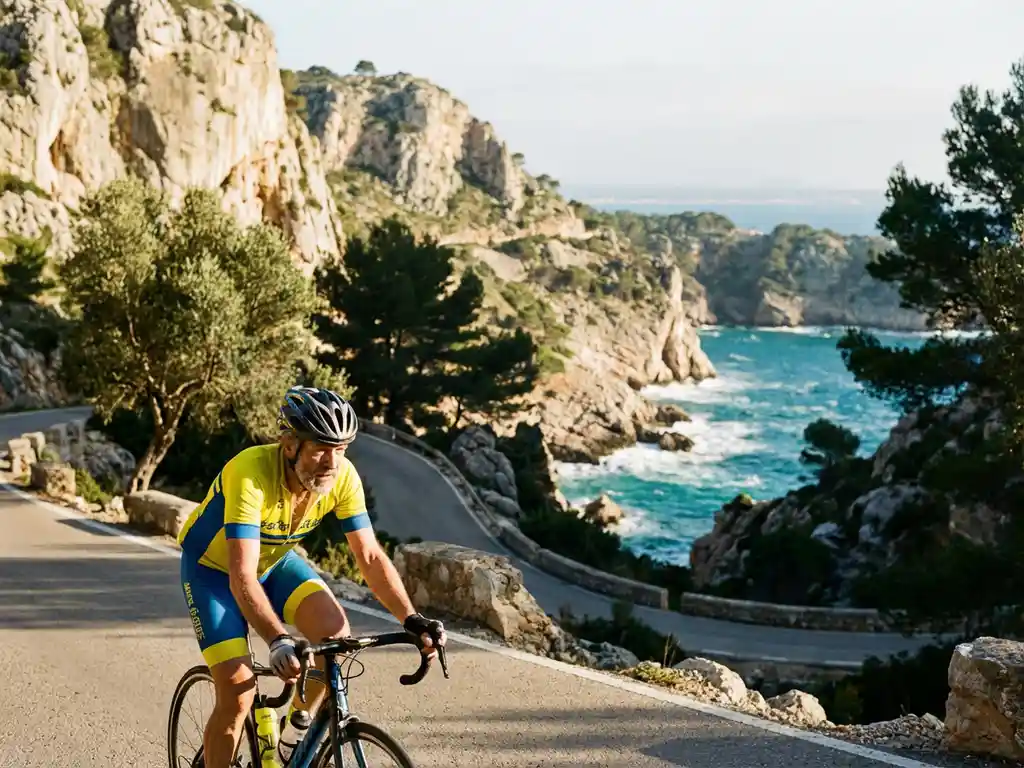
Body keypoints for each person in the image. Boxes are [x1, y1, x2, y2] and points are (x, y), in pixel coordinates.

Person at [176, 385, 446, 768]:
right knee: (238, 692)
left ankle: (293, 737)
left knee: (335, 637)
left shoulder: (343, 477)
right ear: (289, 444)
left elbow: (369, 556)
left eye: (341, 449)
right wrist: (278, 640)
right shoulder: (250, 473)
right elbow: (241, 576)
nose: (331, 461)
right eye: (320, 448)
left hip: (273, 564)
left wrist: (411, 618)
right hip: (214, 573)